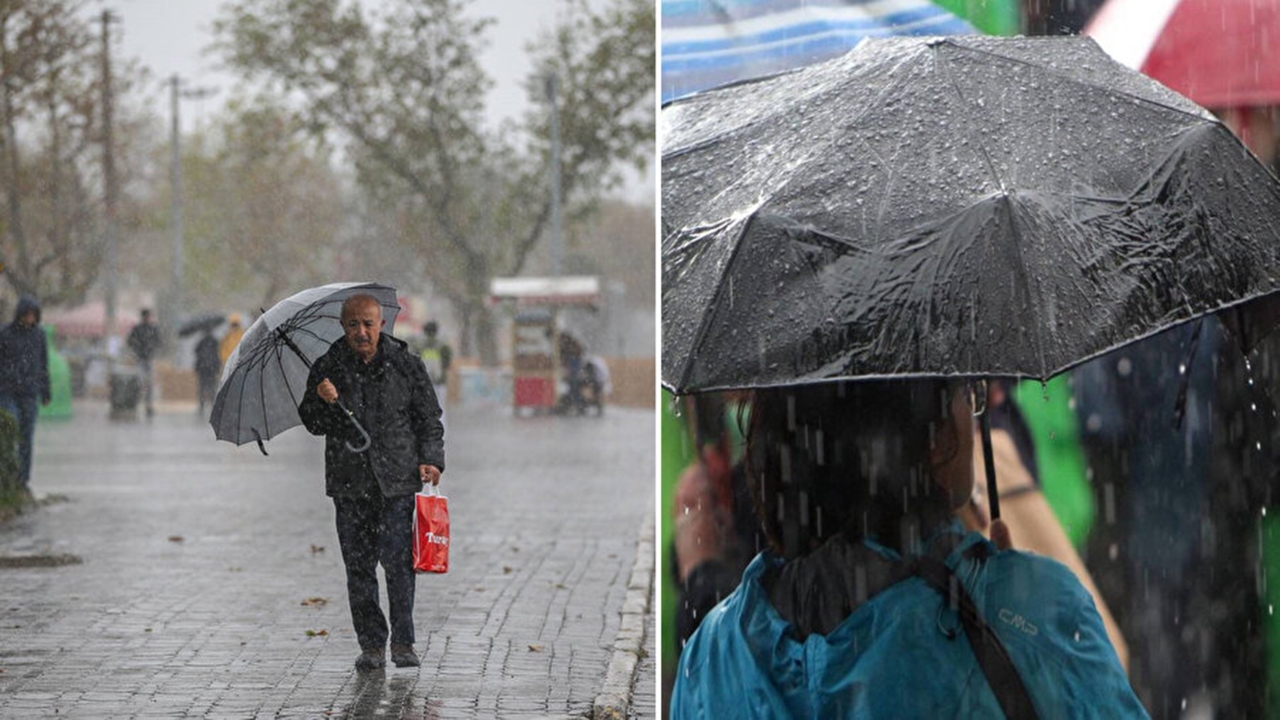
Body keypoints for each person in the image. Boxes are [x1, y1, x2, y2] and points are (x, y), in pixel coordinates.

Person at [670, 379, 1146, 718]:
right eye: (967, 393)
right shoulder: (1037, 608)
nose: (973, 408)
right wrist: (1011, 607)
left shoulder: (709, 654)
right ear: (936, 438)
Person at [297, 294, 445, 671]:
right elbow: (313, 423)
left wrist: (431, 459)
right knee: (359, 568)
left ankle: (404, 641)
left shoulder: (407, 365)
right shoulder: (327, 368)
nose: (361, 332)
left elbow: (428, 417)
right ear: (343, 327)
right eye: (353, 325)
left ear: (381, 324)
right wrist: (322, 400)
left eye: (367, 324)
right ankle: (372, 645)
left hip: (397, 481)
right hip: (350, 484)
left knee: (398, 565)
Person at [0, 296, 52, 496]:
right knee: (11, 427)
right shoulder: (5, 334)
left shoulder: (39, 336)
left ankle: (23, 479)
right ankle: (8, 476)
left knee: (27, 436)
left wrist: (46, 392)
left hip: (30, 392)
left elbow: (43, 364)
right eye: (27, 314)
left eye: (33, 315)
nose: (30, 319)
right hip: (7, 390)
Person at [126, 308, 162, 417]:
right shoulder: (141, 329)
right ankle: (143, 403)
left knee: (146, 383)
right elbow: (130, 341)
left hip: (146, 358)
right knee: (142, 382)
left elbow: (159, 341)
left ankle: (147, 404)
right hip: (142, 358)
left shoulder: (145, 328)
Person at [194, 328, 221, 417]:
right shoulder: (215, 341)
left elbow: (196, 351)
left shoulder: (201, 342)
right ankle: (213, 403)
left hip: (203, 367)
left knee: (202, 386)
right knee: (212, 385)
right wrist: (217, 366)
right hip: (211, 367)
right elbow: (218, 353)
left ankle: (201, 404)